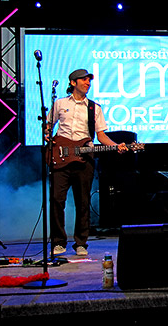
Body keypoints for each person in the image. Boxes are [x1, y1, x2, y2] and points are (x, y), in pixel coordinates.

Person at [46, 69, 128, 256]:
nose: (87, 83)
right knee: (57, 200)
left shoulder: (94, 108)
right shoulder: (59, 104)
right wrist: (48, 136)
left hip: (84, 159)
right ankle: (58, 241)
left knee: (83, 202)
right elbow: (49, 125)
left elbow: (100, 135)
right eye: (83, 80)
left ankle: (81, 243)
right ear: (73, 82)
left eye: (88, 80)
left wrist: (116, 146)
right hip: (61, 158)